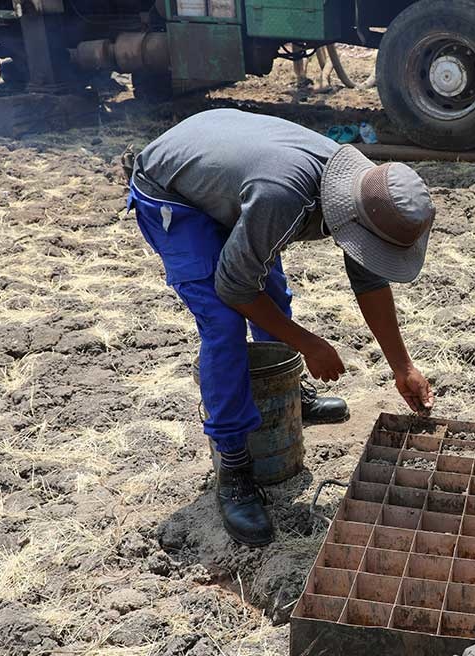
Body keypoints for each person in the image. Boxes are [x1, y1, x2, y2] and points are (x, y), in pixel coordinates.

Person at [128, 109, 436, 547]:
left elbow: (368, 277)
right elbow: (233, 289)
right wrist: (308, 343)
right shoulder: (287, 197)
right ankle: (234, 467)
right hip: (171, 190)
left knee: (270, 290)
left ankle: (286, 396)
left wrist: (401, 366)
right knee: (223, 321)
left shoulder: (367, 191)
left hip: (231, 170)